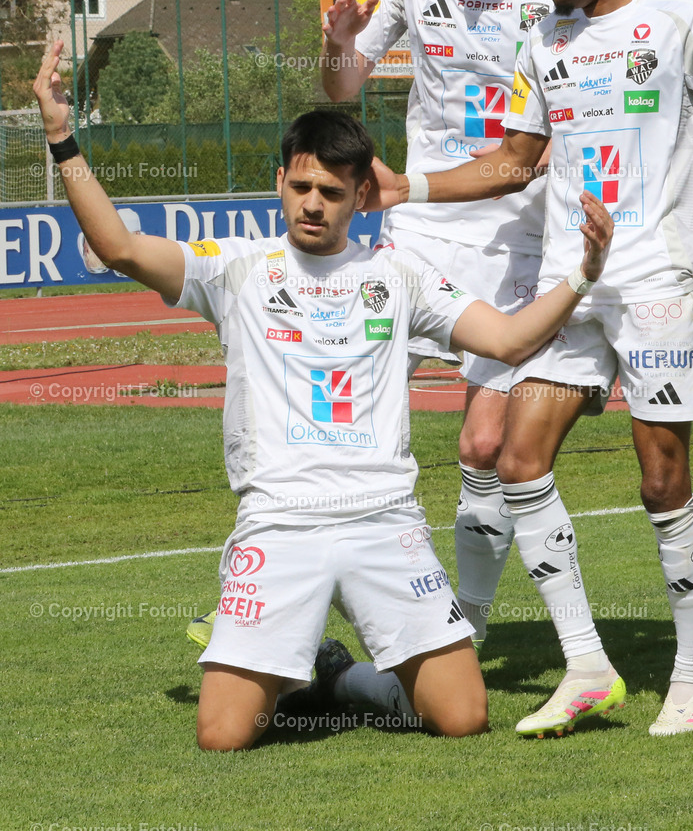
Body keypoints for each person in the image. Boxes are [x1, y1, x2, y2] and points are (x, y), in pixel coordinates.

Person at [33, 40, 613, 750]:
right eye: (301, 187)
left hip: (383, 521)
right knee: (223, 735)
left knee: (462, 717)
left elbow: (510, 341)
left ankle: (337, 678)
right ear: (280, 180)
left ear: (360, 198)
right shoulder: (236, 268)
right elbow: (120, 247)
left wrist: (582, 275)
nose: (313, 204)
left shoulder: (399, 275)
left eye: (332, 193)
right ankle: (293, 667)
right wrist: (64, 139)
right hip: (280, 524)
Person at [369, 0, 693, 738]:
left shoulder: (679, 21)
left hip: (658, 288)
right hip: (571, 287)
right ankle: (588, 666)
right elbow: (515, 160)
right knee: (516, 462)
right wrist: (409, 185)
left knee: (660, 481)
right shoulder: (542, 39)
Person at [321, 0, 555, 649]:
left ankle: (469, 629)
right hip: (417, 227)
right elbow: (344, 86)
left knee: (484, 444)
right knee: (338, 414)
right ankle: (277, 594)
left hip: (518, 233)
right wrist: (338, 43)